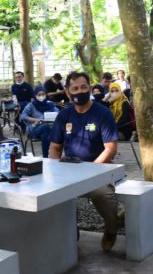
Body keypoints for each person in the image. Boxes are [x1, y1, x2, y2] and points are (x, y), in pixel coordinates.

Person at [49, 72, 120, 252]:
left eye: (83, 87)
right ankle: (71, 230)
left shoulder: (102, 113)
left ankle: (111, 230)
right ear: (67, 92)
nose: (79, 92)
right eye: (74, 89)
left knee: (104, 195)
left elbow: (110, 148)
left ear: (89, 88)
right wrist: (54, 170)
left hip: (99, 169)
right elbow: (55, 147)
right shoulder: (64, 116)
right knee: (52, 196)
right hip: (68, 170)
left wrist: (91, 170)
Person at [20, 86, 57, 157]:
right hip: (34, 128)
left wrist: (53, 117)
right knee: (45, 127)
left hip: (47, 129)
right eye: (39, 95)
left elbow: (58, 113)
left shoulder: (50, 104)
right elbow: (23, 116)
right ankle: (46, 156)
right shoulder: (31, 105)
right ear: (35, 95)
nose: (41, 96)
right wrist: (36, 120)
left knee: (46, 131)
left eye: (43, 94)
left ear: (46, 95)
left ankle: (48, 156)